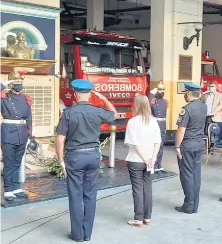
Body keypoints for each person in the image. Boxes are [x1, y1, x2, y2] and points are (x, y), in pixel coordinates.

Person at [55, 79, 118, 242]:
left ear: (75, 94)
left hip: (75, 157)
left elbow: (60, 139)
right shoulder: (97, 111)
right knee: (90, 195)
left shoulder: (69, 113)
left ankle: (77, 235)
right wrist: (103, 98)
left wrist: (61, 160)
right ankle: (87, 233)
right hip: (93, 156)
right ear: (90, 95)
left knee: (75, 195)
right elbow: (115, 115)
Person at [124, 95, 161, 227]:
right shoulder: (153, 121)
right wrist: (153, 158)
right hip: (150, 161)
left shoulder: (132, 122)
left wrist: (144, 158)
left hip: (136, 160)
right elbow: (158, 141)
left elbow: (134, 143)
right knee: (148, 188)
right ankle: (147, 217)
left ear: (136, 105)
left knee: (137, 189)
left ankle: (138, 218)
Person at [174, 82, 207, 214]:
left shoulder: (186, 108)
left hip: (187, 144)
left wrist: (177, 146)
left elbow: (181, 130)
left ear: (188, 93)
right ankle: (194, 205)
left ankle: (188, 205)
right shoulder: (204, 106)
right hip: (199, 143)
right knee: (196, 174)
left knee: (186, 174)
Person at [1, 70, 32, 202]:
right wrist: (4, 84)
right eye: (16, 82)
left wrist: (30, 134)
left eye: (20, 82)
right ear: (11, 84)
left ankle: (16, 187)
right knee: (8, 162)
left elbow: (29, 117)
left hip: (22, 133)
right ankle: (8, 189)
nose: (19, 84)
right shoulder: (4, 98)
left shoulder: (25, 98)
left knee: (17, 162)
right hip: (9, 133)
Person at [148, 81, 168, 172]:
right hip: (155, 124)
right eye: (160, 90)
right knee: (153, 145)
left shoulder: (165, 101)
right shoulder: (153, 101)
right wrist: (151, 94)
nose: (162, 92)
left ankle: (159, 164)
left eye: (163, 90)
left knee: (161, 145)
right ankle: (153, 164)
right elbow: (147, 103)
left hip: (162, 125)